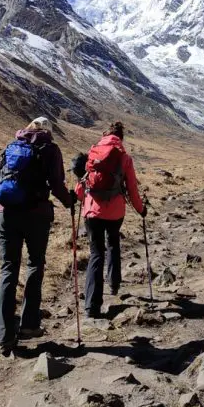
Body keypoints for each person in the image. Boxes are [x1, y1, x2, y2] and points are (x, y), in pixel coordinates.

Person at [0, 117, 74, 355]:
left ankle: (3, 334)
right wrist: (70, 201)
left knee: (8, 269)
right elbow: (56, 184)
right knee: (35, 265)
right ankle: (29, 325)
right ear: (48, 131)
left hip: (6, 214)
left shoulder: (13, 144)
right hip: (36, 215)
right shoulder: (50, 149)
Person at [75, 122, 146, 319]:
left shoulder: (93, 153)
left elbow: (83, 181)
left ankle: (91, 305)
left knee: (96, 253)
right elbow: (132, 188)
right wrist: (141, 210)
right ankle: (114, 284)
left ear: (105, 135)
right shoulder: (124, 157)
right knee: (113, 243)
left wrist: (78, 196)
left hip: (92, 211)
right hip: (115, 212)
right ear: (120, 138)